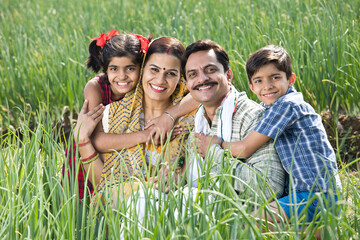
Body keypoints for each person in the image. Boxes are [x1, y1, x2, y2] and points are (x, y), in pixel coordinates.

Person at [223, 45, 341, 235]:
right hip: (304, 195)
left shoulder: (287, 105)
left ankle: (324, 232)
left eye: (275, 77)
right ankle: (318, 232)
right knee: (266, 228)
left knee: (247, 225)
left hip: (314, 195)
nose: (267, 85)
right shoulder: (272, 107)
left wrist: (217, 144)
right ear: (252, 87)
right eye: (259, 80)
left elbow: (245, 149)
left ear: (291, 79)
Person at [73, 37, 196, 206]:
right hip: (123, 217)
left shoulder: (191, 119)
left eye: (171, 73)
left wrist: (179, 178)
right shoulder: (111, 115)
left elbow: (218, 87)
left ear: (181, 77)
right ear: (143, 70)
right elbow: (104, 186)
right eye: (154, 70)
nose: (160, 80)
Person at [182, 40, 285, 200]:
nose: (202, 79)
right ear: (187, 84)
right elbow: (195, 181)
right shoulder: (198, 124)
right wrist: (171, 181)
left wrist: (212, 153)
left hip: (241, 216)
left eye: (210, 70)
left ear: (228, 75)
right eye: (193, 74)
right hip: (204, 208)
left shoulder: (252, 116)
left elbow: (270, 187)